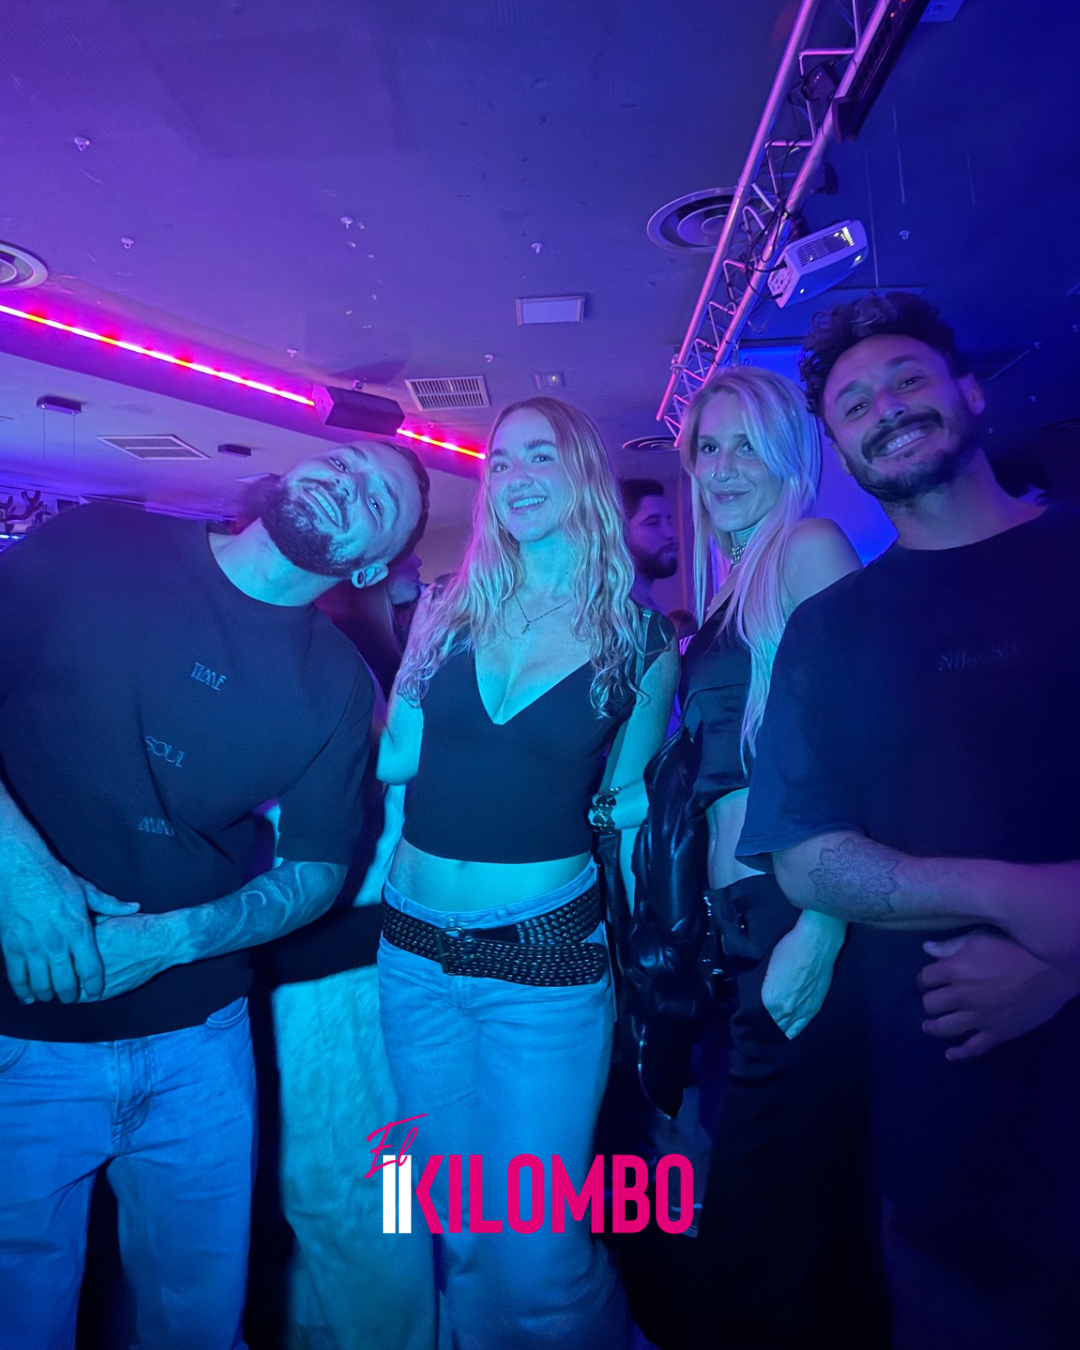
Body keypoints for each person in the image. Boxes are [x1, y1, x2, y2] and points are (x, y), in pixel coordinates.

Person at [0, 438, 427, 1350]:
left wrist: (170, 940)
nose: (347, 481)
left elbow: (316, 871)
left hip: (200, 1047)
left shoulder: (336, 684)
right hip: (19, 1033)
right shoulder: (99, 541)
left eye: (377, 500)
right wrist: (21, 873)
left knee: (198, 1326)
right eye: (345, 460)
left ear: (370, 566)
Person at [737, 292, 1080, 1349]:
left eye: (908, 380)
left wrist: (1066, 965)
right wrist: (1018, 898)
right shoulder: (832, 630)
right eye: (855, 405)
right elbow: (807, 857)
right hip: (951, 1152)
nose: (885, 408)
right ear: (842, 450)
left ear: (969, 391)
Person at [375, 397, 678, 1350]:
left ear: (581, 472)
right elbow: (396, 759)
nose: (514, 478)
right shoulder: (445, 608)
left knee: (538, 1248)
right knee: (453, 1224)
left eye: (537, 456)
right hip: (411, 953)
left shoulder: (640, 642)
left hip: (543, 962)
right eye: (500, 463)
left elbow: (624, 800)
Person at [623, 365, 885, 1350]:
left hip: (795, 914)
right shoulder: (732, 583)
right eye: (709, 447)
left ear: (788, 455)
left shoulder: (809, 548)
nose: (723, 467)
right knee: (787, 1216)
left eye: (746, 445)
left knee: (766, 1226)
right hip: (742, 929)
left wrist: (823, 924)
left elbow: (868, 748)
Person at [262, 554, 436, 1350]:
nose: (414, 578)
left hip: (341, 970)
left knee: (354, 1185)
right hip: (347, 969)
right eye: (403, 564)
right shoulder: (334, 646)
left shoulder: (337, 649)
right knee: (367, 1183)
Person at [619, 477, 679, 609]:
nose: (672, 533)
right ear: (619, 533)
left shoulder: (649, 608)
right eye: (653, 523)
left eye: (669, 521)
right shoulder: (611, 610)